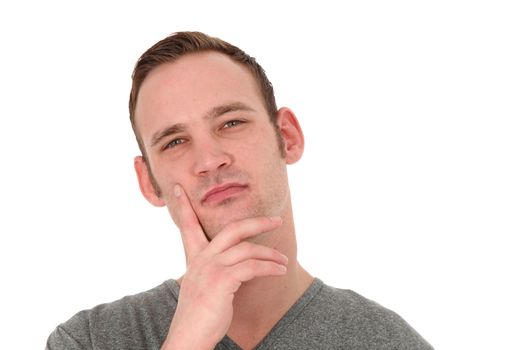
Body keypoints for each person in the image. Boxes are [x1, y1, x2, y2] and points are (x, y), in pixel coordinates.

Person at [46, 31, 433, 350]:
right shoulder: (89, 341)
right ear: (149, 181)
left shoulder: (387, 342)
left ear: (287, 137)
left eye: (230, 123)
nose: (210, 159)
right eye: (175, 142)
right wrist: (187, 341)